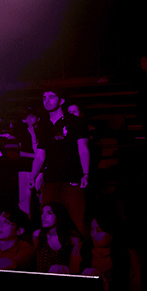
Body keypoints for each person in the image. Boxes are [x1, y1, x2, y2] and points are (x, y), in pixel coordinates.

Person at [29, 89, 91, 237]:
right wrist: (32, 176)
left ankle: (81, 249)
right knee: (50, 224)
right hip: (51, 180)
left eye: (51, 97)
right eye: (44, 98)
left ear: (61, 100)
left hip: (72, 179)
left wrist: (86, 173)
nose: (47, 100)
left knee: (77, 221)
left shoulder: (76, 122)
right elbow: (40, 155)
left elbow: (83, 149)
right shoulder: (43, 125)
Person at [33, 201, 83, 274]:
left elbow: (76, 269)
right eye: (42, 212)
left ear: (58, 215)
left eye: (49, 213)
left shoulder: (72, 239)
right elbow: (33, 261)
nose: (43, 216)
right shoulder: (38, 235)